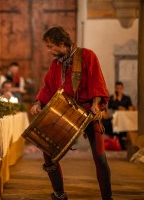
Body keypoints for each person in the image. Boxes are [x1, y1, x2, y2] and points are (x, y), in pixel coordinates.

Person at [30, 26, 112, 200]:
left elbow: (97, 81)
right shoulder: (55, 64)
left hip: (88, 111)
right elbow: (48, 87)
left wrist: (96, 105)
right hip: (65, 112)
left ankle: (107, 197)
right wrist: (38, 102)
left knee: (100, 156)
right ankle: (59, 194)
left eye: (51, 46)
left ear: (62, 43)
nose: (48, 51)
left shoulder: (87, 55)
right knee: (47, 148)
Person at [107, 81, 134, 150]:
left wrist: (124, 109)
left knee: (122, 119)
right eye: (117, 88)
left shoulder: (127, 98)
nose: (118, 90)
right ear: (115, 89)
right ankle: (122, 139)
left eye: (120, 88)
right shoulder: (112, 98)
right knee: (118, 118)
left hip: (125, 117)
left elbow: (131, 109)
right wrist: (115, 100)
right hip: (114, 118)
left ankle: (123, 138)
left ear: (122, 88)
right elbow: (109, 108)